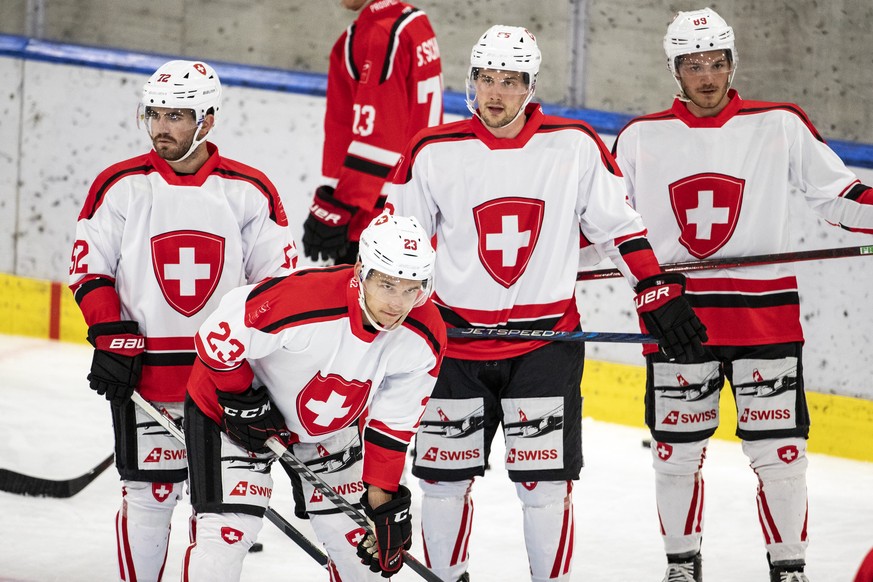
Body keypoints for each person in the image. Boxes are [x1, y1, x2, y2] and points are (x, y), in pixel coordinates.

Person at [386, 25, 708, 582]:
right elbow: (397, 245)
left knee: (544, 488)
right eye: (486, 78)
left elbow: (619, 227)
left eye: (510, 81)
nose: (495, 92)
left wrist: (655, 288)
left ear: (530, 86)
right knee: (442, 483)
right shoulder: (433, 150)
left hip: (546, 347)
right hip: (456, 348)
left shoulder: (575, 143)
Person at [611, 8, 873, 582]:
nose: (707, 76)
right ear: (673, 70)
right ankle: (682, 566)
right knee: (676, 455)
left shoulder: (778, 123)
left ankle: (789, 569)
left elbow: (837, 193)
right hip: (678, 321)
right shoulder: (639, 137)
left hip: (765, 319)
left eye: (717, 62)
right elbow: (606, 223)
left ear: (733, 63)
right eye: (693, 64)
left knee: (781, 458)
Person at [68, 60, 298, 582]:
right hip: (146, 375)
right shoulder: (121, 184)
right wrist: (109, 333)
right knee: (149, 500)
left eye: (177, 115)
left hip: (224, 382)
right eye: (155, 113)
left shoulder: (248, 190)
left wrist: (254, 371)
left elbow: (277, 291)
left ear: (207, 120)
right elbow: (90, 266)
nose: (162, 127)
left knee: (217, 517)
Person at [182, 214, 447, 581]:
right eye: (387, 285)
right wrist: (240, 397)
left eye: (411, 289)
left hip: (327, 427)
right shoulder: (303, 300)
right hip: (228, 416)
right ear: (360, 270)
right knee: (225, 541)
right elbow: (215, 337)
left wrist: (382, 501)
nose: (398, 303)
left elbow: (394, 424)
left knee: (360, 557)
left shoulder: (424, 334)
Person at [302, 0, 443, 266]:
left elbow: (379, 136)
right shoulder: (415, 21)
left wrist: (340, 206)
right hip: (417, 204)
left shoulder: (378, 34)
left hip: (375, 216)